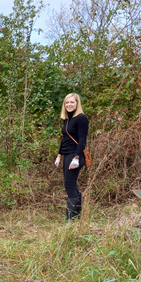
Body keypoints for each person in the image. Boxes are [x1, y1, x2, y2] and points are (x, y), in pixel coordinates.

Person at [54, 93, 89, 221]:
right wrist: (59, 155)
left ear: (77, 104)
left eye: (72, 102)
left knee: (69, 186)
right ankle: (77, 217)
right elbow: (65, 139)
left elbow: (82, 139)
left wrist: (77, 158)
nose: (69, 105)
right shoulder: (67, 119)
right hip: (67, 155)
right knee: (71, 185)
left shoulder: (81, 118)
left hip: (75, 156)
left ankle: (70, 220)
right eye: (67, 102)